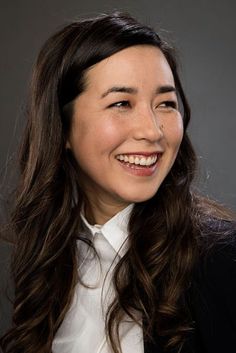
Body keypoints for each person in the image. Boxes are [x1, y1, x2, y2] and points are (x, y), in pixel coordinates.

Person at [0, 10, 235, 353]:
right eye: (122, 103)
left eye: (166, 104)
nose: (152, 131)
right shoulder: (47, 260)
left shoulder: (223, 262)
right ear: (62, 127)